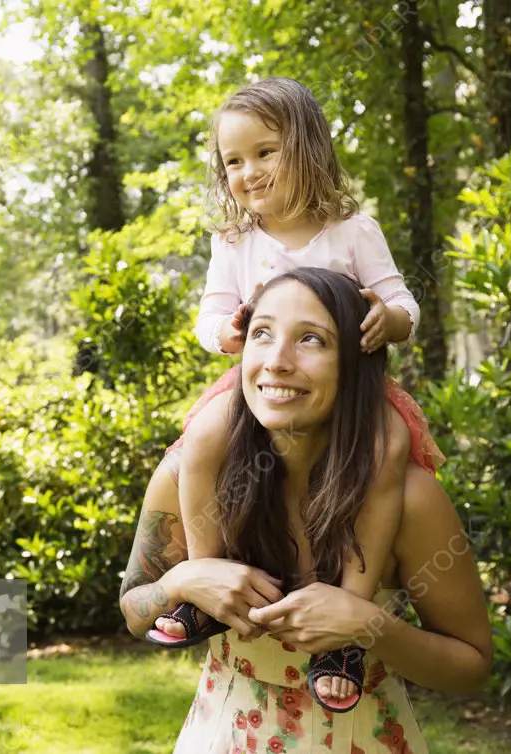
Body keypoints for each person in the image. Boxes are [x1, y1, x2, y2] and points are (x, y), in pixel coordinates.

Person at [145, 76, 445, 713]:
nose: (248, 171)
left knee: (389, 448)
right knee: (200, 437)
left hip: (352, 391)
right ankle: (205, 585)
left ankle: (348, 626)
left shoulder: (353, 232)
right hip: (257, 387)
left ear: (307, 147)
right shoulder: (234, 243)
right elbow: (211, 315)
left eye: (265, 152)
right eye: (233, 160)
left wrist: (390, 321)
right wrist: (223, 332)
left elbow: (401, 300)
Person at [120, 268, 491, 751]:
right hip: (220, 736)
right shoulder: (188, 473)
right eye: (262, 334)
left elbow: (473, 667)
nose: (277, 361)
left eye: (312, 339)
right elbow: (134, 610)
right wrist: (183, 581)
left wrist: (367, 626)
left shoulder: (409, 500)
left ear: (356, 363)